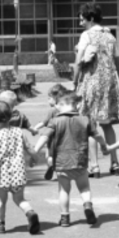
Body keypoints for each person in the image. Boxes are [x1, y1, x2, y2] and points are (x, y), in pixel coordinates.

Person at [31, 91, 108, 227]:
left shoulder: (55, 121)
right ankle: (87, 205)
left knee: (64, 190)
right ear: (77, 106)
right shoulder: (85, 119)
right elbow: (97, 136)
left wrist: (35, 151)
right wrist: (103, 145)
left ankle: (65, 218)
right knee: (84, 187)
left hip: (61, 163)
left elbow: (44, 137)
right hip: (80, 162)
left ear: (59, 106)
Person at [74, 2, 119, 178]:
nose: (80, 23)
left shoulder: (86, 35)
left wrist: (75, 82)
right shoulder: (110, 36)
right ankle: (115, 163)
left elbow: (78, 60)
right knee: (108, 124)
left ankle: (94, 166)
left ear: (90, 18)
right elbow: (118, 62)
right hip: (110, 83)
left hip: (92, 82)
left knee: (91, 125)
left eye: (81, 19)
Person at [0, 101, 42, 234]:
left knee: (1, 201)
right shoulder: (18, 131)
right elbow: (29, 148)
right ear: (9, 117)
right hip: (18, 174)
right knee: (19, 199)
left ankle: (0, 224)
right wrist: (35, 158)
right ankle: (30, 213)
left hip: (2, 176)